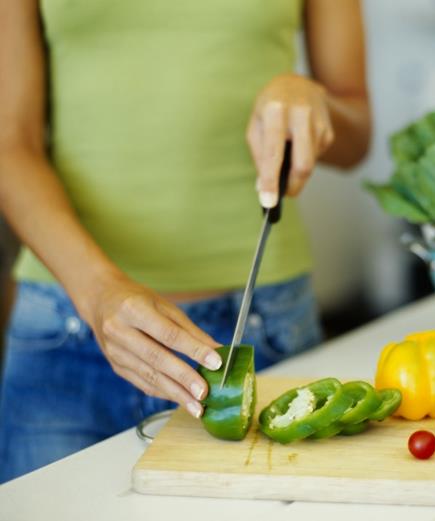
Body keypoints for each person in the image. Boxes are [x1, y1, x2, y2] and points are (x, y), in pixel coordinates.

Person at [0, 0, 371, 483]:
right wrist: (97, 292)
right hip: (67, 327)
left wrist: (312, 100)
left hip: (262, 326)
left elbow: (356, 131)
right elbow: (11, 142)